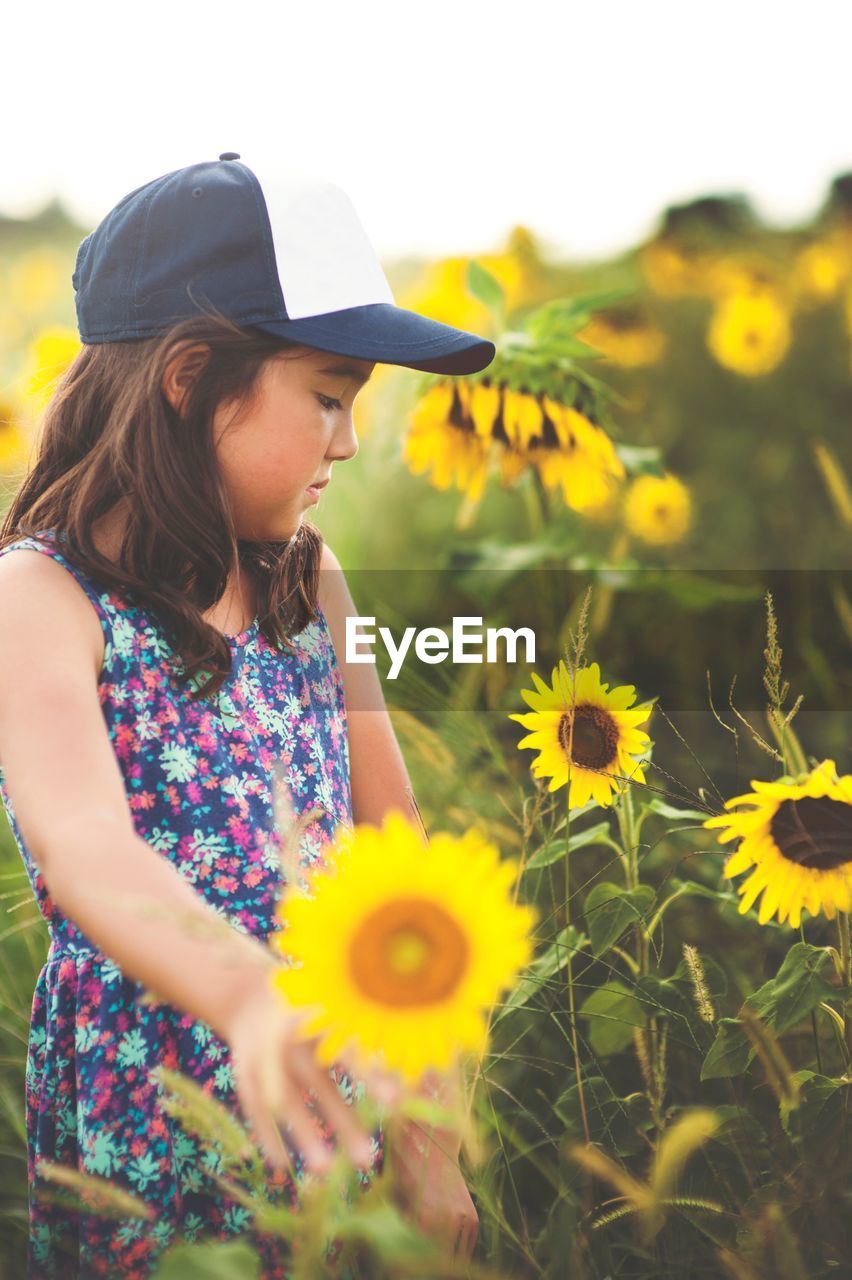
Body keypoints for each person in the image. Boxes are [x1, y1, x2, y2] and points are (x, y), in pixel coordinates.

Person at [0, 154, 495, 1279]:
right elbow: (85, 847)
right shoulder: (38, 596)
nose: (350, 441)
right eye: (328, 394)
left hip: (336, 1114)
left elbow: (392, 849)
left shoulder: (311, 582)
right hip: (152, 1129)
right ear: (188, 376)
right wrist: (248, 994)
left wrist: (426, 1129)